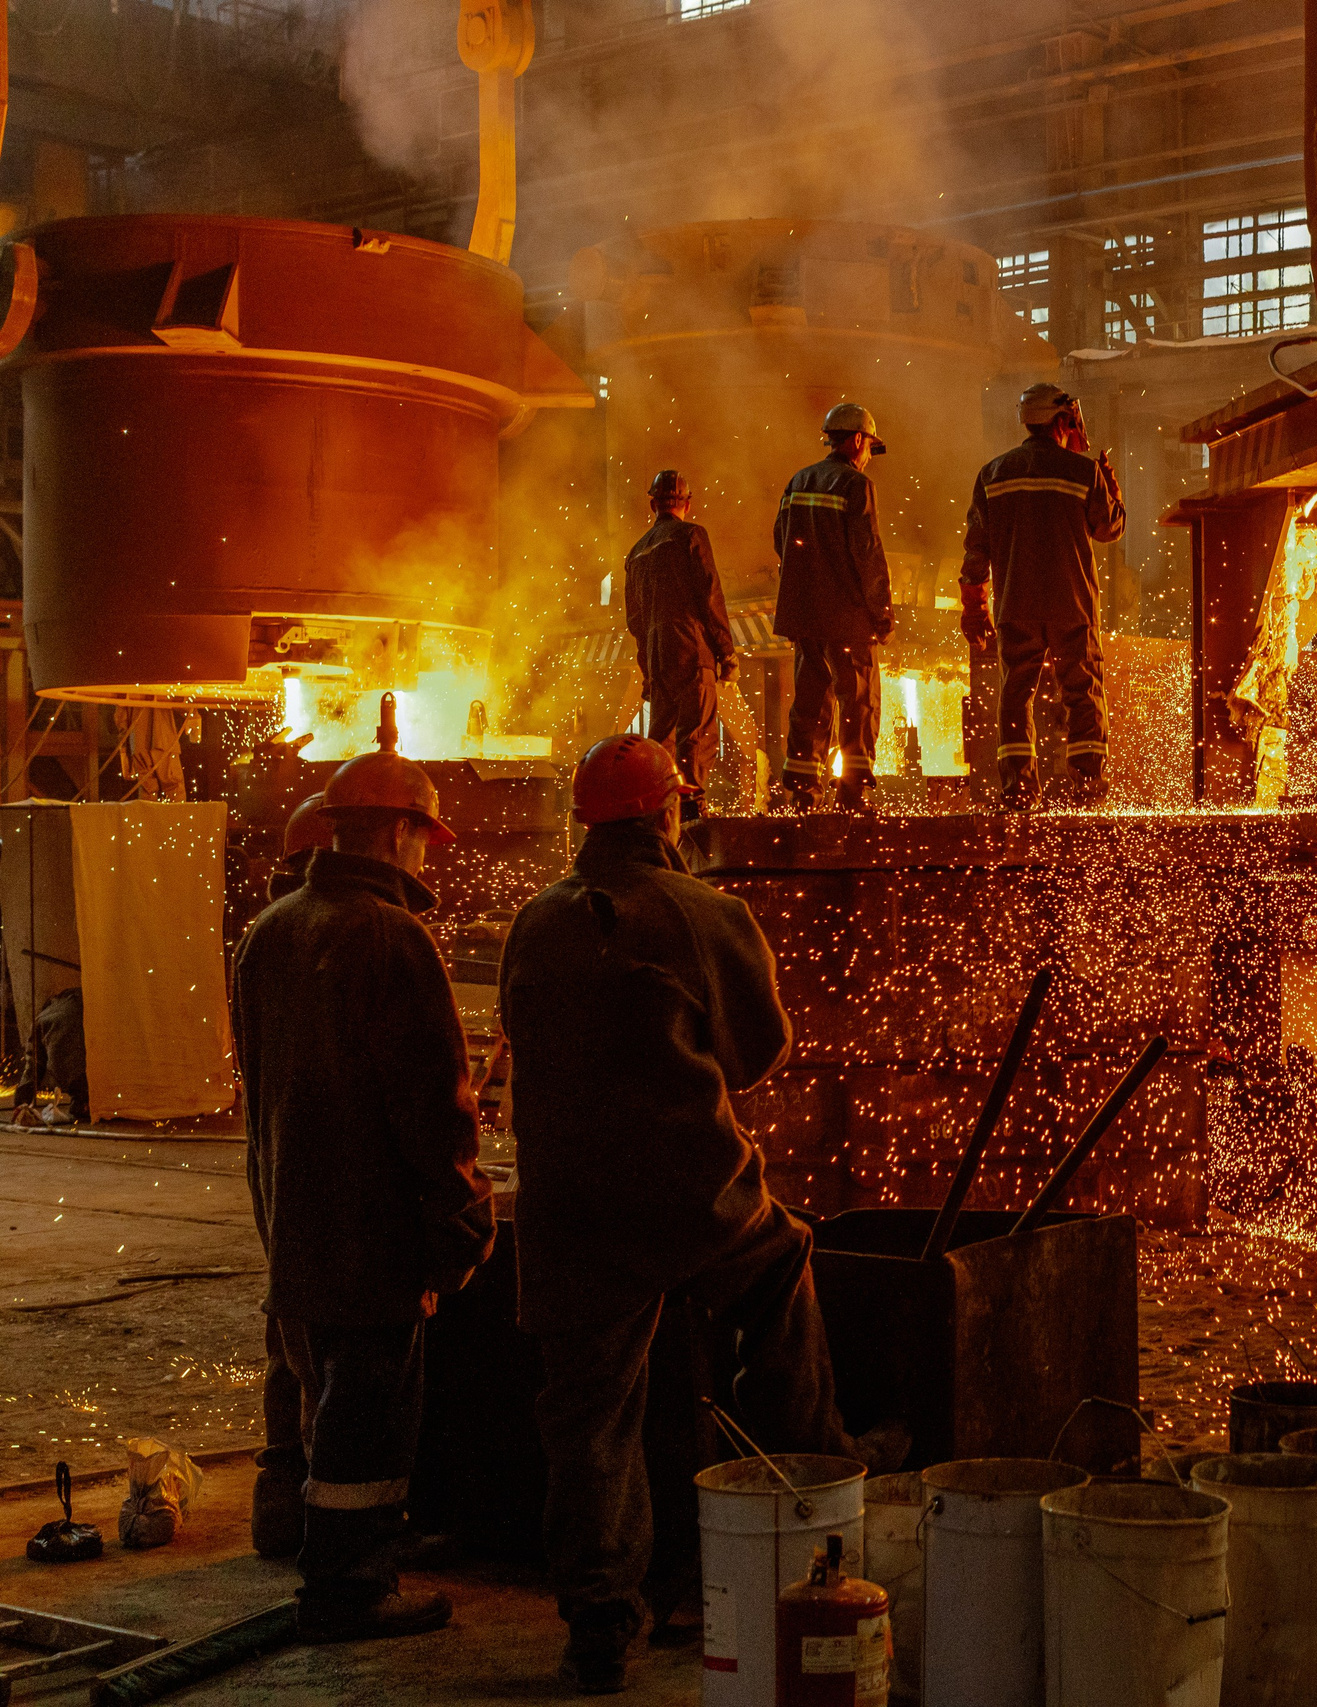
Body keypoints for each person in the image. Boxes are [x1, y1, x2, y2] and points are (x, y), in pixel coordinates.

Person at [501, 735, 860, 1694]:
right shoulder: (704, 912)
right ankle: (817, 1482)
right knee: (783, 1267)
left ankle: (598, 1626)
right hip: (693, 1198)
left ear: (587, 821)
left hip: (569, 1211)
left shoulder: (535, 922)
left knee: (590, 1413)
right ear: (670, 812)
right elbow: (757, 1054)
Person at [231, 751, 494, 1641]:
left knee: (325, 1403)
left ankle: (328, 1554)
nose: (426, 854)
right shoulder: (391, 936)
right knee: (368, 1420)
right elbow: (435, 1106)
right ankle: (351, 1587)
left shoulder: (270, 930)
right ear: (398, 831)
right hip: (374, 1233)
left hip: (293, 1223)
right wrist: (464, 1220)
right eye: (424, 836)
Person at [960, 381, 1127, 810]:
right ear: (1061, 420)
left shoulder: (993, 474)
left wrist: (975, 607)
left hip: (1015, 603)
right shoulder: (1083, 471)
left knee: (1016, 694)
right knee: (1082, 691)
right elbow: (1109, 528)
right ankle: (1087, 785)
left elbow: (976, 549)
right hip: (1072, 603)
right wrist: (1111, 489)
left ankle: (1018, 788)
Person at [249, 790, 332, 1562]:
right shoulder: (342, 929)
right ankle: (340, 1541)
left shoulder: (265, 931)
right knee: (334, 1357)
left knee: (287, 1327)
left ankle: (279, 1500)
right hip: (331, 1179)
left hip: (274, 1166)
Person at [773, 403, 894, 813]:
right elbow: (868, 553)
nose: (868, 456)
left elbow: (781, 540)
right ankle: (853, 792)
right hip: (848, 617)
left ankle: (803, 793)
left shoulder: (798, 481)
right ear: (858, 439)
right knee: (858, 701)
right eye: (869, 447)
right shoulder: (856, 485)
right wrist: (882, 613)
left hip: (805, 616)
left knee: (810, 702)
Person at [623, 469, 735, 813]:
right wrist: (726, 653)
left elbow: (635, 621)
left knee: (660, 741)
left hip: (657, 655)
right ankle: (692, 809)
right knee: (696, 734)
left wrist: (648, 669)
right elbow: (710, 596)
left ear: (653, 505)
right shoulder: (691, 535)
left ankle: (661, 809)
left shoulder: (636, 552)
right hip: (691, 647)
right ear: (688, 503)